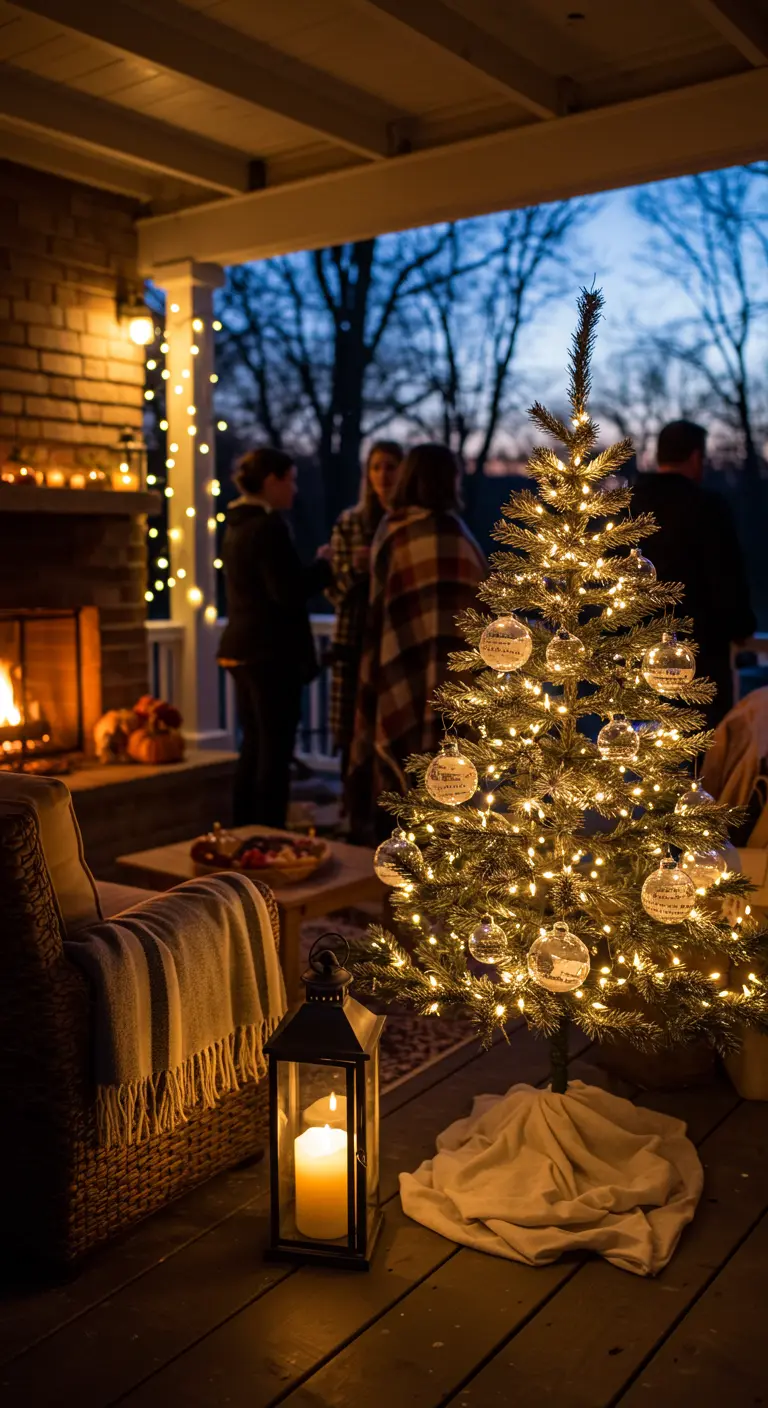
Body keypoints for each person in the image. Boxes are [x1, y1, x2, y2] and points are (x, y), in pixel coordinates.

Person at [347, 443, 486, 840]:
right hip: (456, 683)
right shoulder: (458, 536)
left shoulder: (393, 530)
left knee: (416, 784)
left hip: (402, 671)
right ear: (447, 481)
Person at [217, 447, 332, 827]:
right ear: (271, 480)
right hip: (269, 654)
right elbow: (286, 591)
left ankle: (241, 829)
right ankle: (268, 833)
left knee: (252, 746)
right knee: (274, 752)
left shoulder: (236, 524)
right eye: (291, 479)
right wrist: (323, 566)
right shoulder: (268, 526)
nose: (294, 490)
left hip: (239, 649)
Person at [631, 420, 755, 726]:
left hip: (636, 656)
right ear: (696, 457)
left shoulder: (628, 508)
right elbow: (725, 579)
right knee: (702, 752)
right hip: (700, 656)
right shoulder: (708, 508)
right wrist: (741, 626)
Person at [326, 440, 403, 784]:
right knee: (352, 723)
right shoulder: (351, 521)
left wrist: (374, 564)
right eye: (375, 467)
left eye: (390, 466)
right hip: (355, 636)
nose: (383, 474)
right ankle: (351, 803)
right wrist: (357, 570)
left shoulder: (407, 522)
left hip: (396, 636)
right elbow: (337, 589)